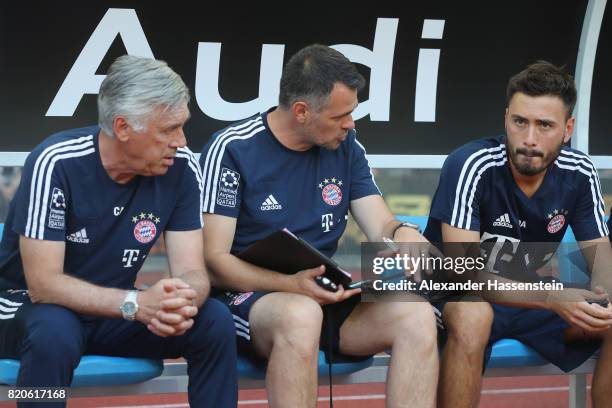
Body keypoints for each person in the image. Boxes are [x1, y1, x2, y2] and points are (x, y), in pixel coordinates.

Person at [200, 44, 438, 407]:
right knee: (300, 314)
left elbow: (381, 223)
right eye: (340, 115)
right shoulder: (232, 148)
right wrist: (290, 285)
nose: (351, 124)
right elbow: (214, 262)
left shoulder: (346, 146)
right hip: (249, 300)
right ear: (301, 111)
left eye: (353, 113)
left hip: (324, 293)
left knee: (416, 314)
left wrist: (401, 232)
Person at [0, 55, 238, 407]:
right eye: (168, 129)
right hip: (27, 307)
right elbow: (43, 285)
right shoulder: (55, 161)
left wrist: (181, 299)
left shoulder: (182, 167)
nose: (182, 141)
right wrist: (136, 304)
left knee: (213, 318)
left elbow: (192, 271)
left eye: (182, 126)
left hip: (116, 309)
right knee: (55, 333)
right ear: (123, 127)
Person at [424, 61, 612, 407]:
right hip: (455, 296)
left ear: (567, 128)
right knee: (472, 316)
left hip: (527, 298)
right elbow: (463, 274)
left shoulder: (580, 171)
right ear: (506, 118)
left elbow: (601, 254)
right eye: (520, 122)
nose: (529, 139)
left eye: (545, 126)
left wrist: (605, 300)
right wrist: (551, 298)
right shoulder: (471, 163)